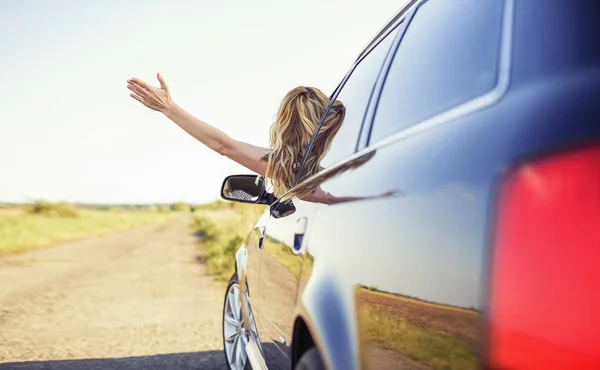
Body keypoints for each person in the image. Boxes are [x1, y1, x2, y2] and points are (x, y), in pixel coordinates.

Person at [126, 73, 346, 203]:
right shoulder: (349, 170)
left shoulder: (292, 168)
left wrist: (168, 108)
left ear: (285, 125)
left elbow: (224, 145)